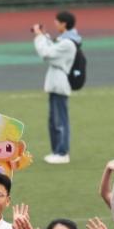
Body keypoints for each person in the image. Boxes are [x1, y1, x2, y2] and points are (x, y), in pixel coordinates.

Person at [33, 11, 80, 165]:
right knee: (54, 121)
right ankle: (56, 151)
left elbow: (46, 53)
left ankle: (62, 152)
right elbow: (52, 48)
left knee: (60, 120)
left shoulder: (68, 43)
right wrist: (44, 36)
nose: (55, 24)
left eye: (57, 22)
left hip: (60, 83)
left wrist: (39, 37)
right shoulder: (65, 40)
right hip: (55, 83)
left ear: (64, 24)